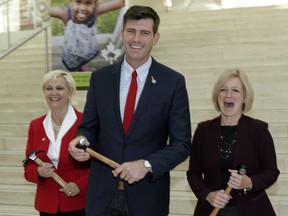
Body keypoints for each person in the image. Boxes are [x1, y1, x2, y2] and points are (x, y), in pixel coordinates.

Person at [68, 5, 192, 216]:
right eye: (131, 31)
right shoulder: (100, 79)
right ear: (122, 33)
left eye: (145, 33)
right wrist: (80, 141)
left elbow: (182, 144)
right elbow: (89, 127)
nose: (137, 39)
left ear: (155, 37)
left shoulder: (172, 82)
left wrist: (147, 164)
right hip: (102, 197)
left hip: (148, 199)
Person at [186, 69, 279, 216]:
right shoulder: (203, 130)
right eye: (223, 90)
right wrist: (208, 195)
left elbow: (271, 171)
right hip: (211, 209)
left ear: (244, 98)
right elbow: (194, 174)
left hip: (253, 209)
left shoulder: (259, 129)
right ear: (217, 96)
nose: (228, 95)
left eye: (235, 90)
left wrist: (249, 182)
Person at [23, 70, 90, 216]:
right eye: (49, 88)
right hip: (46, 204)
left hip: (78, 202)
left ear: (70, 92)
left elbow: (98, 166)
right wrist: (39, 172)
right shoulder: (36, 125)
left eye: (59, 88)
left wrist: (80, 185)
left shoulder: (86, 123)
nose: (54, 93)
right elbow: (28, 166)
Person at [49, 0, 125, 71]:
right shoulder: (65, 14)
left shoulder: (95, 11)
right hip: (72, 52)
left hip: (87, 49)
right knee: (72, 67)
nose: (82, 8)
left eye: (88, 3)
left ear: (95, 4)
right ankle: (76, 69)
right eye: (78, 2)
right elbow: (43, 9)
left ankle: (80, 66)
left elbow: (121, 2)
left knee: (84, 60)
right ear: (71, 2)